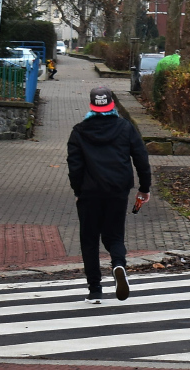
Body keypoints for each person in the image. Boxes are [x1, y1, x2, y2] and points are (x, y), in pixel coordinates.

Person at [67, 86, 150, 303]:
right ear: (112, 104)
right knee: (114, 235)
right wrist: (144, 188)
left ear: (92, 105)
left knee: (90, 239)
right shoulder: (125, 127)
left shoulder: (79, 131)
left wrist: (78, 191)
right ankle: (119, 265)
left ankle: (95, 289)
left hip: (89, 193)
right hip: (118, 190)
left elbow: (74, 166)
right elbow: (141, 158)